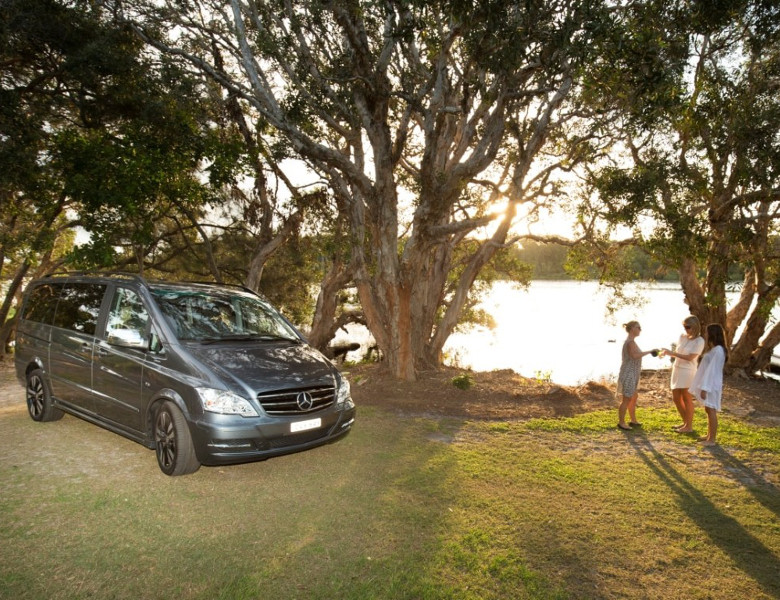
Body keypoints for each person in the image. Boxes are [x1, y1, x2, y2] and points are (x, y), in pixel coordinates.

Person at [661, 316, 705, 433]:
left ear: (695, 327)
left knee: (686, 398)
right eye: (684, 327)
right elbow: (677, 353)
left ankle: (688, 426)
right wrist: (667, 352)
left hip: (688, 371)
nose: (686, 329)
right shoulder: (682, 337)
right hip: (677, 369)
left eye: (688, 327)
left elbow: (690, 357)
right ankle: (685, 422)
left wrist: (673, 353)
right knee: (676, 398)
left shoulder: (699, 341)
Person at [689, 323, 728, 446]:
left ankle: (712, 440)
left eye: (707, 332)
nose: (705, 334)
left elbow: (712, 371)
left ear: (712, 334)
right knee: (708, 409)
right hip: (709, 383)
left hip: (712, 384)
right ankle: (709, 435)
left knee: (711, 410)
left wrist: (705, 388)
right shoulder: (714, 349)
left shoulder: (718, 350)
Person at [616, 321, 656, 430]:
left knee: (633, 396)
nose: (640, 330)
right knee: (627, 398)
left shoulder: (631, 341)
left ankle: (633, 420)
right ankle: (621, 423)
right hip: (628, 373)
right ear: (632, 328)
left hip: (632, 373)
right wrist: (649, 352)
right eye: (638, 327)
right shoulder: (630, 342)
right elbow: (634, 356)